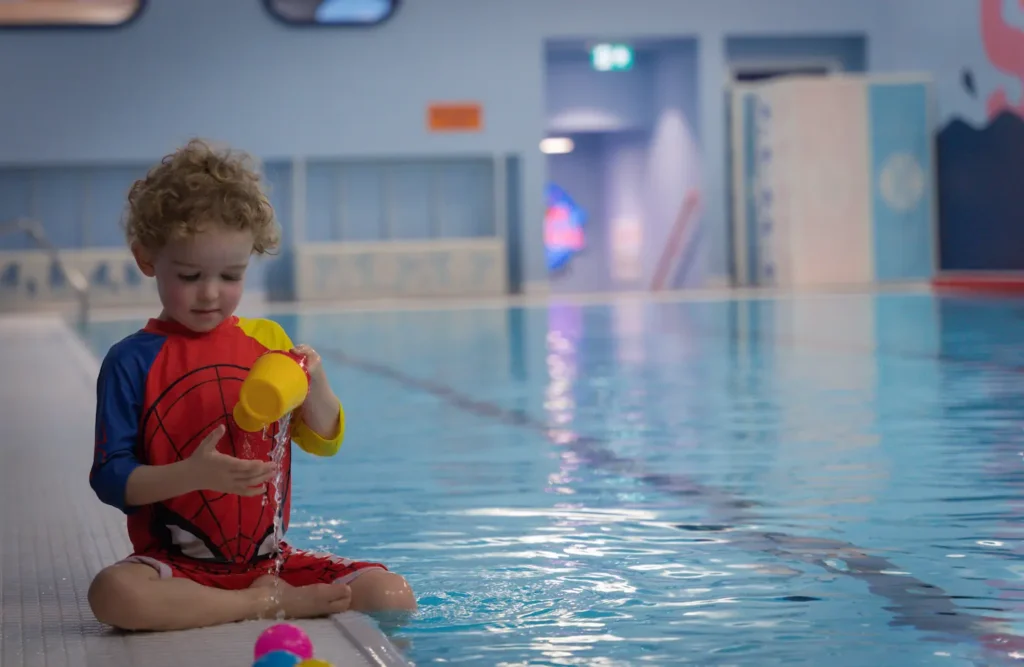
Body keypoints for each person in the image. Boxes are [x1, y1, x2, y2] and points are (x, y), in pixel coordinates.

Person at [86, 139, 415, 632]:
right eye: (191, 274)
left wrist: (315, 378)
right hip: (179, 568)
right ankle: (262, 606)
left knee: (391, 594)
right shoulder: (131, 361)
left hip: (269, 560)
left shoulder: (267, 342)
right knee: (112, 595)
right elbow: (111, 480)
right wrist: (192, 474)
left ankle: (267, 594)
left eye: (231, 274)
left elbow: (324, 438)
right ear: (147, 258)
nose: (211, 292)